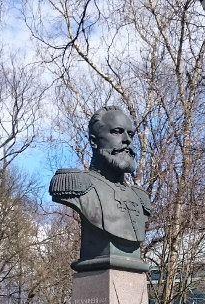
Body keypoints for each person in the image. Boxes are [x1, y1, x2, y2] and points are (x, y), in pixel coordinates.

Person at [49, 106, 151, 272]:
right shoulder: (76, 184)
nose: (127, 140)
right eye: (117, 132)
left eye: (130, 134)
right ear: (93, 141)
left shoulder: (140, 198)